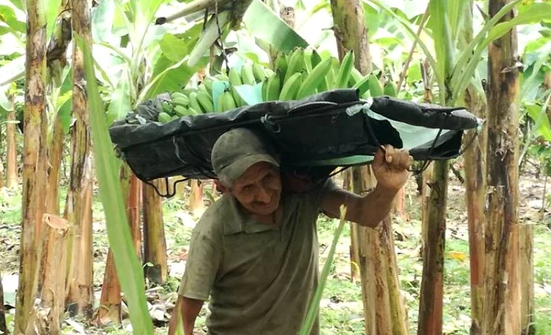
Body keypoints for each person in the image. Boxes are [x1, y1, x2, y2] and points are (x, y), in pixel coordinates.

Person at [167, 128, 413, 335]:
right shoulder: (214, 230)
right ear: (225, 188)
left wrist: (388, 188)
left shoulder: (304, 194)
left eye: (267, 178)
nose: (264, 195)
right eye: (248, 188)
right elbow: (184, 316)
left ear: (279, 168)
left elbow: (365, 214)